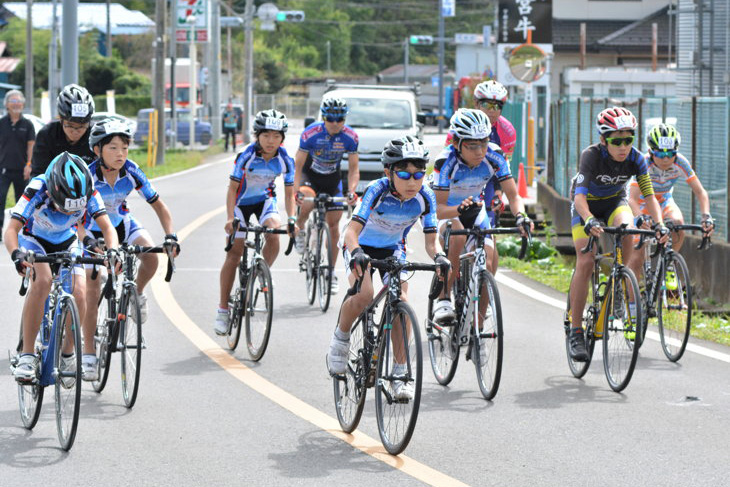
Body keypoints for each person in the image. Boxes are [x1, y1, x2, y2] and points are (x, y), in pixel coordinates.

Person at [326, 136, 450, 401]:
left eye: (419, 174)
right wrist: (358, 253)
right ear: (388, 172)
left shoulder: (425, 196)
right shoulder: (376, 190)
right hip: (360, 244)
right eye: (404, 174)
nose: (412, 181)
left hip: (393, 247)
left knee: (401, 303)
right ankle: (341, 339)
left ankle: (399, 373)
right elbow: (351, 232)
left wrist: (440, 257)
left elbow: (431, 242)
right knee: (364, 294)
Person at [5, 152, 119, 383]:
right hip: (34, 239)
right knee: (43, 281)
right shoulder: (37, 188)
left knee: (79, 292)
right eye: (63, 207)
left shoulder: (90, 192)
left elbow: (107, 228)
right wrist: (16, 255)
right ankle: (27, 354)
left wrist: (113, 250)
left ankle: (68, 352)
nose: (68, 213)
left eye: (73, 209)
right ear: (51, 192)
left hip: (66, 240)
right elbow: (10, 230)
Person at [80, 118, 180, 380]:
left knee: (151, 253)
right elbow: (77, 220)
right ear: (97, 150)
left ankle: (137, 292)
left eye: (124, 147)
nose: (120, 154)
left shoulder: (132, 171)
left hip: (123, 223)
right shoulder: (88, 176)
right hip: (92, 230)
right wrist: (90, 243)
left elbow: (159, 205)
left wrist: (170, 236)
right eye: (112, 148)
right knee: (92, 290)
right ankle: (89, 353)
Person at [567, 107, 668, 362]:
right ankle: (576, 329)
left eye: (628, 139)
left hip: (614, 203)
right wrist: (589, 219)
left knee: (628, 233)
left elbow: (649, 195)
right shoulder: (590, 156)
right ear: (604, 140)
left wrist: (660, 225)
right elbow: (579, 198)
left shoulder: (636, 159)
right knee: (587, 260)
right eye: (616, 140)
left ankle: (619, 285)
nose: (623, 146)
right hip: (586, 206)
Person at [430, 109, 531, 323]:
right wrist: (458, 210)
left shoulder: (495, 156)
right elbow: (437, 208)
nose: (480, 151)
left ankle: (480, 321)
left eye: (484, 143)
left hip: (475, 209)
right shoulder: (445, 162)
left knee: (490, 256)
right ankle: (444, 298)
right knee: (457, 237)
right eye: (472, 145)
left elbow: (513, 196)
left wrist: (521, 216)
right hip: (447, 210)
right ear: (456, 143)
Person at [214, 109, 297, 335]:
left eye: (276, 136)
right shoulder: (246, 155)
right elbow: (232, 190)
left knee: (274, 235)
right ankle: (222, 309)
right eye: (266, 135)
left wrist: (291, 218)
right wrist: (231, 218)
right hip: (241, 203)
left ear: (282, 138)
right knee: (234, 252)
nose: (271, 141)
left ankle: (260, 273)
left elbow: (289, 194)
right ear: (258, 135)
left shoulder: (285, 159)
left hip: (264, 201)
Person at [292, 98, 359, 295]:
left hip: (332, 180)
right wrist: (296, 191)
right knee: (306, 200)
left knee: (334, 225)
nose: (336, 123)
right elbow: (297, 166)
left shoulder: (351, 137)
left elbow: (354, 169)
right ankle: (301, 229)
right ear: (324, 118)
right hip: (309, 177)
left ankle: (330, 273)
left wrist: (352, 191)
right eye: (331, 118)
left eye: (340, 119)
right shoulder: (310, 134)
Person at [626, 124, 714, 264]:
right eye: (660, 154)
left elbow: (700, 192)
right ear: (650, 152)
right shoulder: (644, 164)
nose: (666, 159)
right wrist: (640, 218)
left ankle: (669, 264)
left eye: (670, 154)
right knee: (637, 257)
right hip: (641, 203)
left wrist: (706, 216)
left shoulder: (680, 162)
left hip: (664, 200)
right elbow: (632, 200)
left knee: (678, 224)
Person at [30, 84, 96, 177]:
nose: (75, 131)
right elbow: (38, 172)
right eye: (70, 125)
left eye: (82, 126)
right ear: (61, 119)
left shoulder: (95, 135)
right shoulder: (47, 135)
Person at [0, 89, 35, 239]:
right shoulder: (2, 123)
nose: (16, 104)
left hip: (22, 170)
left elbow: (31, 146)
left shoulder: (27, 124)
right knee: (0, 198)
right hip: (3, 169)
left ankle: (23, 231)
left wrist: (29, 164)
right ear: (6, 104)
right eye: (13, 101)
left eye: (19, 100)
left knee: (22, 202)